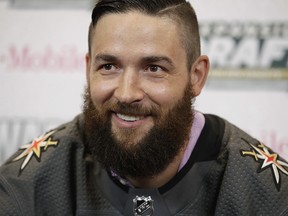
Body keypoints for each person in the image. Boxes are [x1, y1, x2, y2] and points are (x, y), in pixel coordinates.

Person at [1, 0, 288, 215]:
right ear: (89, 69)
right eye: (109, 66)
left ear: (196, 76)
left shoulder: (272, 195)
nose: (126, 94)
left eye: (153, 68)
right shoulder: (24, 189)